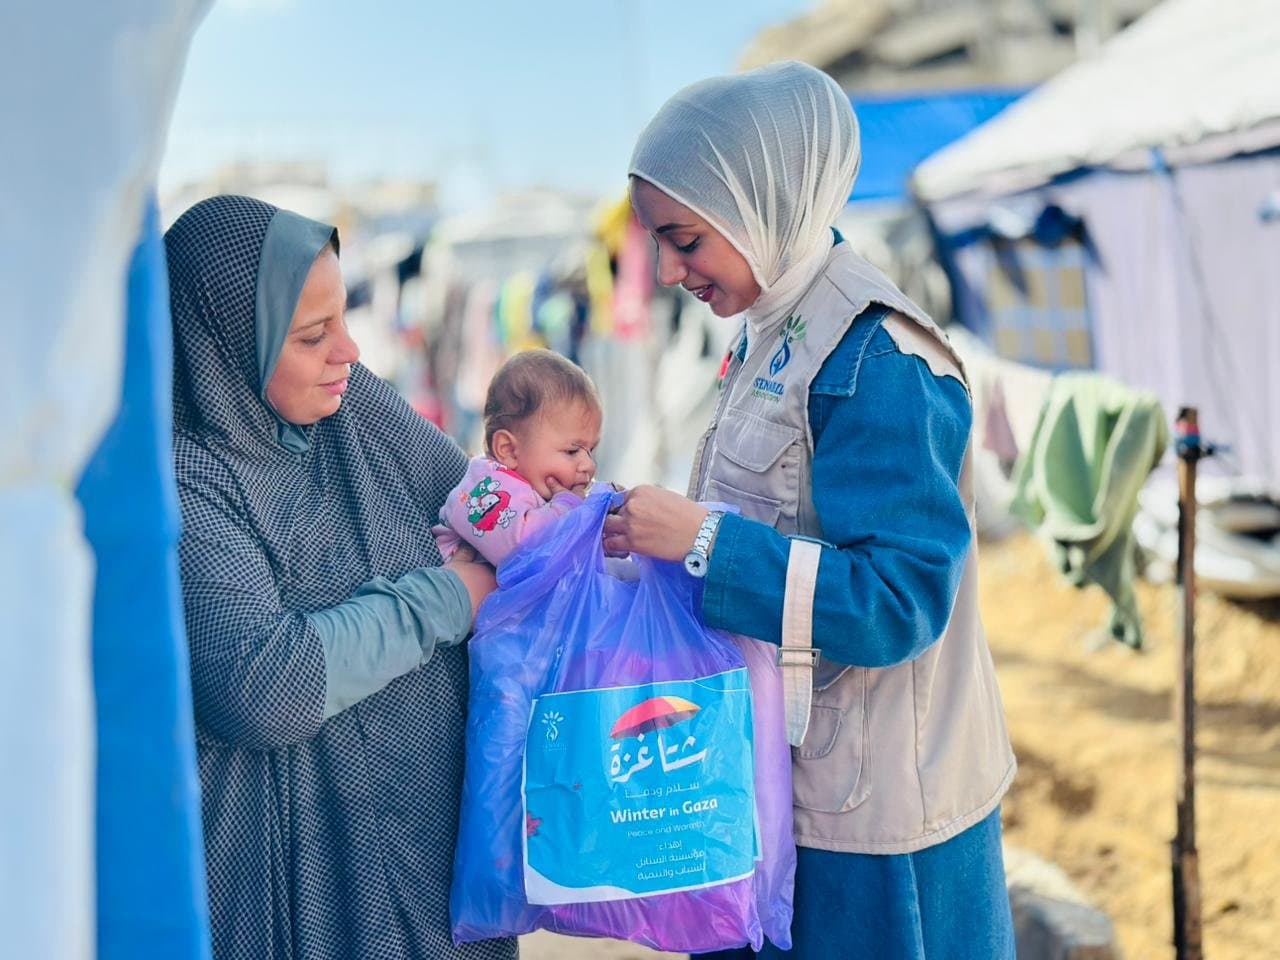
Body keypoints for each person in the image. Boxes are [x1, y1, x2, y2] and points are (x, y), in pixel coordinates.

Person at [604, 62, 1017, 958]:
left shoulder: (880, 360)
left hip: (872, 829)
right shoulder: (771, 333)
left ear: (762, 205)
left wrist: (707, 541)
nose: (672, 271)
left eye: (685, 239)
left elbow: (898, 601)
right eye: (659, 245)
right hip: (785, 787)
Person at [166, 195, 516, 960]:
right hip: (303, 878)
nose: (350, 351)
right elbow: (265, 685)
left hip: (424, 852)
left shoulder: (352, 409)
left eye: (344, 318)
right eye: (313, 335)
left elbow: (483, 514)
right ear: (228, 347)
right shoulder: (188, 478)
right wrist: (448, 597)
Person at [433, 349, 603, 566]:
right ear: (509, 450)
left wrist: (602, 532)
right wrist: (568, 508)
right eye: (572, 451)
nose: (588, 465)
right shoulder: (485, 487)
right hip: (463, 595)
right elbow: (522, 547)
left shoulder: (541, 491)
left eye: (591, 451)